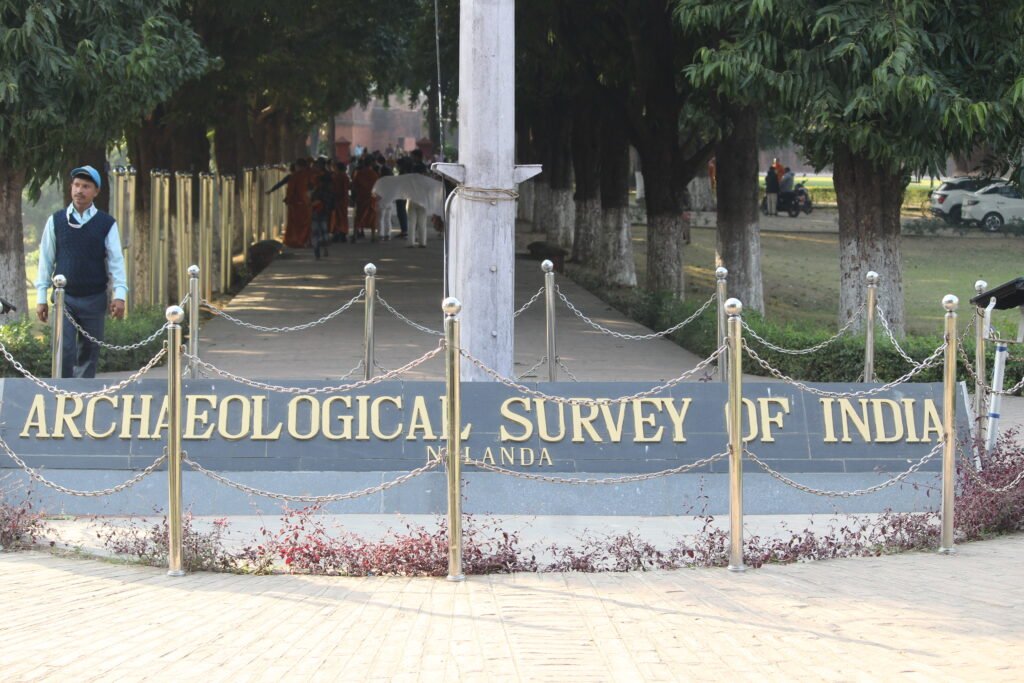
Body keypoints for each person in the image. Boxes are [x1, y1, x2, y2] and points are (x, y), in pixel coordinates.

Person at [34, 165, 127, 378]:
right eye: (76, 185)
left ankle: (82, 400)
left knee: (89, 352)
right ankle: (62, 394)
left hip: (94, 298)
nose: (79, 191)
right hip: (63, 299)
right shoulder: (56, 221)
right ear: (70, 188)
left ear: (96, 191)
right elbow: (45, 261)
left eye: (86, 186)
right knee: (63, 350)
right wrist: (41, 297)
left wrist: (119, 295)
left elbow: (116, 261)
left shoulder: (106, 223)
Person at [283, 158, 313, 248]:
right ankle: (305, 241)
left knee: (295, 224)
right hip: (307, 203)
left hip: (296, 203)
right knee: (306, 223)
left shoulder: (295, 176)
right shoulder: (309, 175)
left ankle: (297, 241)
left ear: (298, 166)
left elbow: (291, 190)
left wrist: (288, 200)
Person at [352, 157, 380, 241]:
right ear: (371, 165)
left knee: (359, 216)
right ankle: (373, 236)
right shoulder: (374, 174)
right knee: (372, 216)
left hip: (361, 198)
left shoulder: (359, 173)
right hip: (371, 198)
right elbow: (377, 187)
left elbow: (355, 185)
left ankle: (355, 235)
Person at [310, 173, 334, 259]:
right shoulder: (330, 191)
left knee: (315, 233)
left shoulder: (317, 190)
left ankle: (316, 251)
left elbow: (313, 201)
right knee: (324, 232)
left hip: (316, 213)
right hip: (325, 214)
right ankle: (325, 249)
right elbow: (332, 204)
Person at [330, 161, 350, 241]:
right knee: (343, 217)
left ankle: (337, 233)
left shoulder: (336, 177)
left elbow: (335, 188)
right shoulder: (345, 177)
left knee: (337, 217)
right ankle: (343, 233)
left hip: (337, 199)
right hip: (344, 199)